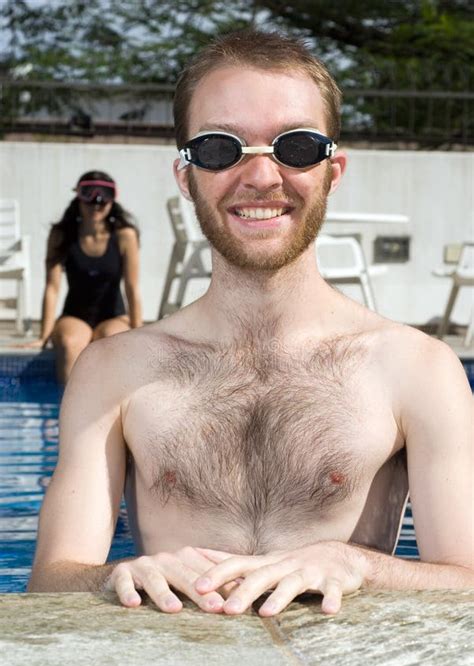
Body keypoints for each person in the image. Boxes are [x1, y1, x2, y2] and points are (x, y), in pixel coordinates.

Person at [28, 30, 473, 615]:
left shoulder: (417, 369)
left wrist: (356, 563)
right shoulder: (114, 371)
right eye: (219, 147)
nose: (261, 177)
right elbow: (47, 587)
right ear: (186, 176)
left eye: (295, 146)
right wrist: (118, 574)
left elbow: (467, 579)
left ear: (332, 172)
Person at [22, 170, 142, 383]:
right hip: (75, 316)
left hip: (113, 316)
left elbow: (132, 287)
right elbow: (52, 287)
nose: (96, 202)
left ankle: (109, 413)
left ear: (112, 200)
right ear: (78, 197)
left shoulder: (125, 236)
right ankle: (67, 413)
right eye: (88, 195)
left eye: (103, 197)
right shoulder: (61, 234)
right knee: (69, 343)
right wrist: (44, 335)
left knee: (112, 343)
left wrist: (139, 331)